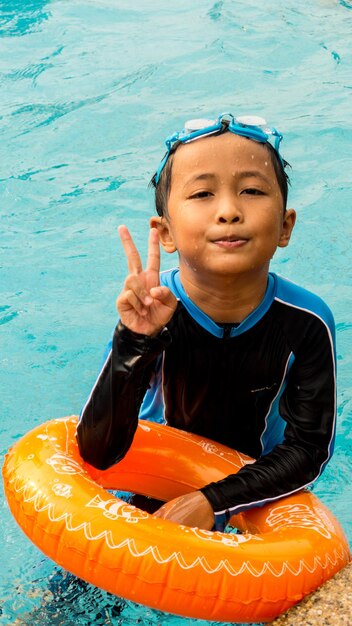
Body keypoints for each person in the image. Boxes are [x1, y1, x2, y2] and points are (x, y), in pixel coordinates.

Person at [77, 113, 336, 532]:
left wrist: (213, 501)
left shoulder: (306, 322)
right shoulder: (150, 310)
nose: (229, 211)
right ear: (165, 233)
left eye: (251, 190)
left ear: (285, 226)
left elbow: (308, 450)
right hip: (145, 483)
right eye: (202, 194)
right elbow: (99, 453)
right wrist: (134, 341)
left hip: (252, 492)